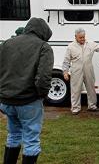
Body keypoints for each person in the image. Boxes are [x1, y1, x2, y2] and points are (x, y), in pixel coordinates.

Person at [0, 18, 54, 164]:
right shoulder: (43, 47)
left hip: (6, 101)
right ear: (43, 32)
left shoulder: (6, 43)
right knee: (31, 140)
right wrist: (42, 95)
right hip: (29, 100)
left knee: (13, 135)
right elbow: (43, 77)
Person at [62, 28, 99, 115]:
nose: (82, 39)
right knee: (75, 89)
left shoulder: (91, 44)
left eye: (83, 37)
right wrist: (65, 72)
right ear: (75, 37)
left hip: (88, 69)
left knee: (91, 88)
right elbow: (66, 61)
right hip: (76, 70)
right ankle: (75, 108)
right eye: (80, 37)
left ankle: (92, 106)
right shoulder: (70, 47)